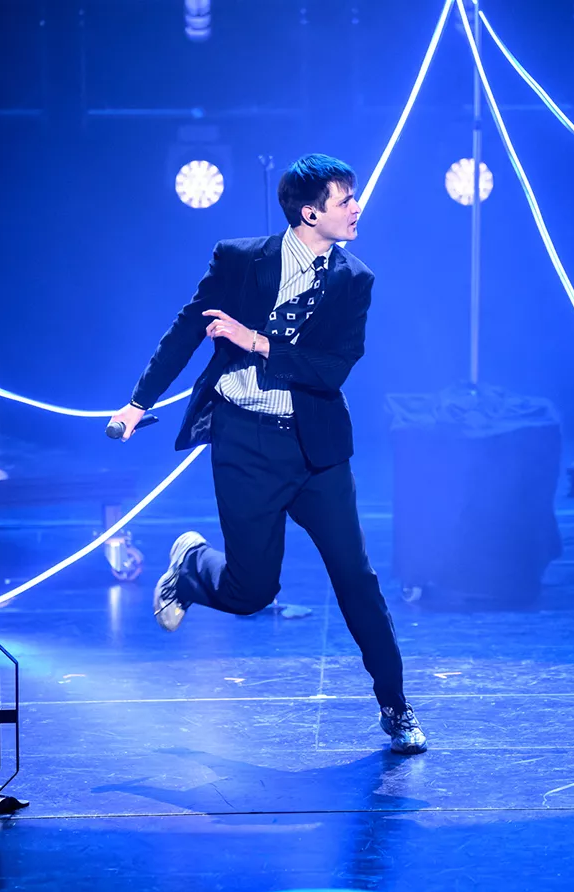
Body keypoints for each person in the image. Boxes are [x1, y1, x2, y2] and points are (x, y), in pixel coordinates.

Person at [109, 154, 427, 755]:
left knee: (356, 579)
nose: (356, 207)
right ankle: (191, 566)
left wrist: (256, 341)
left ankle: (396, 706)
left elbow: (333, 369)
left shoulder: (354, 279)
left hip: (316, 450)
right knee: (252, 591)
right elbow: (186, 329)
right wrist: (136, 402)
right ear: (310, 213)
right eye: (344, 200)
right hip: (246, 442)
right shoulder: (240, 259)